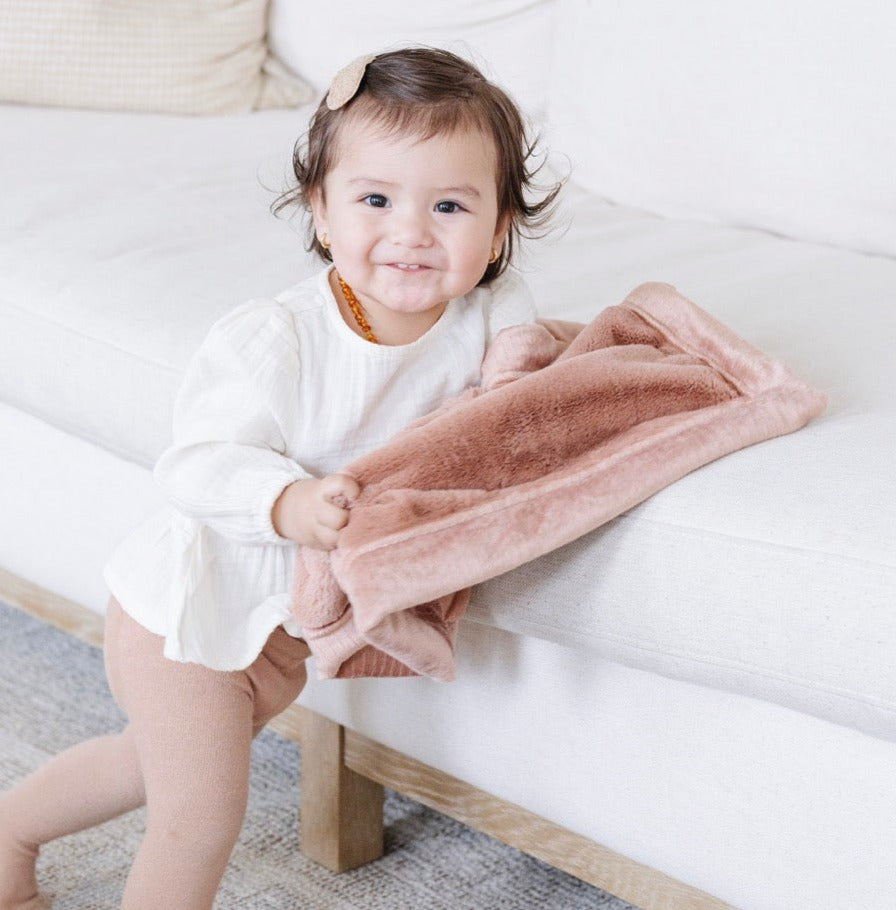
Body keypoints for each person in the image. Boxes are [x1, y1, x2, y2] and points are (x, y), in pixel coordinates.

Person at [0, 47, 559, 910]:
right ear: (322, 214)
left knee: (141, 765)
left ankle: (10, 833)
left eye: (450, 205)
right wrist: (287, 501)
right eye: (376, 200)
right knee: (201, 818)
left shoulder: (491, 314)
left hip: (278, 637)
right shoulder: (277, 340)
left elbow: (520, 398)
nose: (412, 231)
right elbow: (194, 465)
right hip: (183, 617)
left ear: (499, 229)